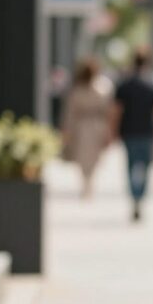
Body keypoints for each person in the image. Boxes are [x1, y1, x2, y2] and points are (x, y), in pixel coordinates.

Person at [110, 48, 153, 222]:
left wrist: (113, 131)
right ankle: (140, 196)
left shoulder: (124, 86)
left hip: (129, 132)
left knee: (130, 165)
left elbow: (116, 111)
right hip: (147, 132)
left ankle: (134, 198)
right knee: (145, 166)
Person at [60, 57, 111, 199]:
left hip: (84, 126)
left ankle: (87, 181)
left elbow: (70, 112)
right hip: (95, 125)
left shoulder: (83, 88)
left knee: (85, 156)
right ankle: (87, 182)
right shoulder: (102, 87)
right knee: (90, 156)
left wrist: (66, 130)